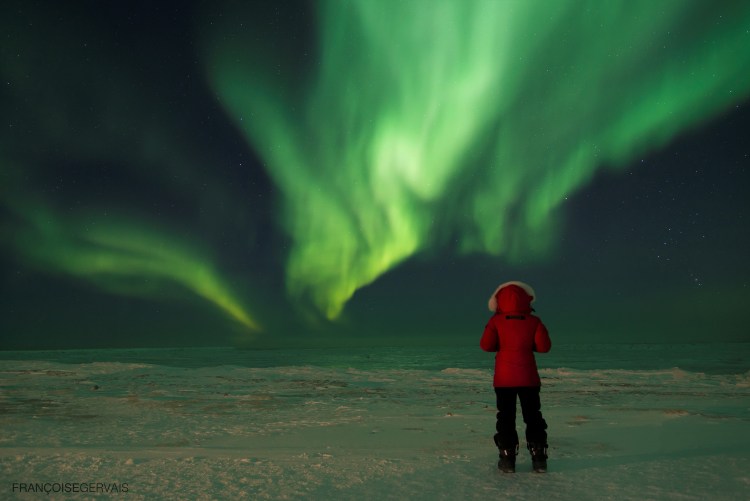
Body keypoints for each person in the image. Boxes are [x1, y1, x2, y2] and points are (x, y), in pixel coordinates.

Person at [480, 281, 551, 473]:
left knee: (506, 417)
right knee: (533, 416)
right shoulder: (534, 321)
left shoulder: (496, 322)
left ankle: (507, 459)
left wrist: (502, 346)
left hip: (504, 380)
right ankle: (539, 458)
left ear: (498, 301)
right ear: (526, 299)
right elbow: (544, 347)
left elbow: (486, 345)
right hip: (528, 378)